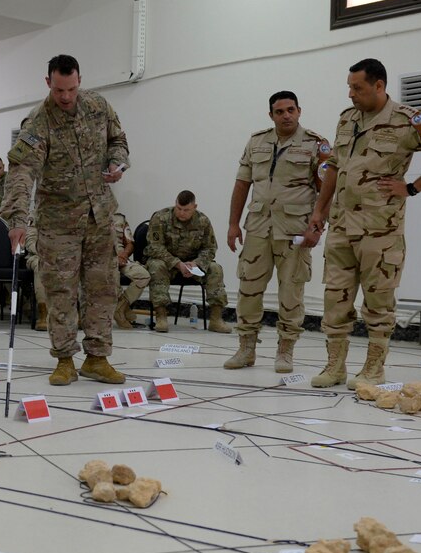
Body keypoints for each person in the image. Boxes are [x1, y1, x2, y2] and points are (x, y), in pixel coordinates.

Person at [309, 58, 421, 387]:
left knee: (378, 302)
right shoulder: (347, 119)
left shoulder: (410, 120)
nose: (351, 94)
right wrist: (319, 210)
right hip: (340, 226)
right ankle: (334, 366)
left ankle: (374, 368)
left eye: (358, 88)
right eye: (349, 87)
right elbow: (334, 166)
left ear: (379, 86)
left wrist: (411, 187)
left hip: (381, 230)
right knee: (335, 299)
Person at [1, 54, 128, 385]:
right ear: (48, 83)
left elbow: (119, 141)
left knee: (103, 288)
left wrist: (118, 163)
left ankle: (97, 359)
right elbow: (21, 172)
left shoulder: (99, 106)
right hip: (58, 222)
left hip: (99, 216)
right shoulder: (37, 123)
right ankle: (65, 360)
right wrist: (17, 217)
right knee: (61, 292)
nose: (66, 97)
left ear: (80, 80)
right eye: (59, 90)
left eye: (71, 89)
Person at [224, 91, 330, 373]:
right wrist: (233, 224)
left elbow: (326, 191)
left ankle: (285, 351)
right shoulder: (257, 141)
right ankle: (246, 349)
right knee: (248, 288)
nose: (286, 115)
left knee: (291, 293)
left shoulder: (315, 145)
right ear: (271, 115)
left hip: (295, 230)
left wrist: (317, 228)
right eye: (280, 111)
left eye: (291, 110)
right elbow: (242, 184)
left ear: (299, 111)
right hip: (258, 227)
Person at [146, 190, 231, 333]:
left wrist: (196, 263)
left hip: (193, 265)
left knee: (215, 268)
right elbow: (155, 247)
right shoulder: (161, 217)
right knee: (156, 265)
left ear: (195, 207)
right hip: (168, 264)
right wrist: (177, 264)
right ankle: (161, 317)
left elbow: (210, 248)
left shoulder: (203, 221)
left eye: (186, 210)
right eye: (179, 208)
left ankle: (216, 319)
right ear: (175, 204)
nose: (181, 213)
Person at [111, 212, 150, 329]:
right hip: (101, 261)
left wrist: (124, 255)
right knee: (112, 276)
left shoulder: (120, 219)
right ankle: (123, 312)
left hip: (121, 258)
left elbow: (130, 243)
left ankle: (120, 308)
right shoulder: (87, 216)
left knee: (143, 276)